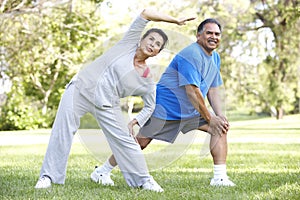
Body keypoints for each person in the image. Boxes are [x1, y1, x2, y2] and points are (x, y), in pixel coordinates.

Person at [34, 8, 195, 192]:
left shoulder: (147, 78)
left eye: (157, 44)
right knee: (63, 130)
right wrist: (175, 20)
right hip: (81, 88)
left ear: (158, 52)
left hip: (106, 103)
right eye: (151, 39)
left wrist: (136, 121)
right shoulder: (127, 44)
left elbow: (150, 105)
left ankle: (144, 180)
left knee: (127, 140)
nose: (152, 44)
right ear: (142, 39)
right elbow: (146, 13)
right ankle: (48, 176)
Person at [93, 18, 236, 187]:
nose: (213, 37)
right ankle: (102, 171)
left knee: (220, 129)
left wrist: (219, 117)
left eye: (217, 34)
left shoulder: (215, 58)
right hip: (165, 108)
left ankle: (219, 178)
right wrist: (211, 118)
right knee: (140, 143)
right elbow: (192, 91)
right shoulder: (191, 55)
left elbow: (213, 88)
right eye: (209, 33)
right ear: (198, 36)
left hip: (191, 110)